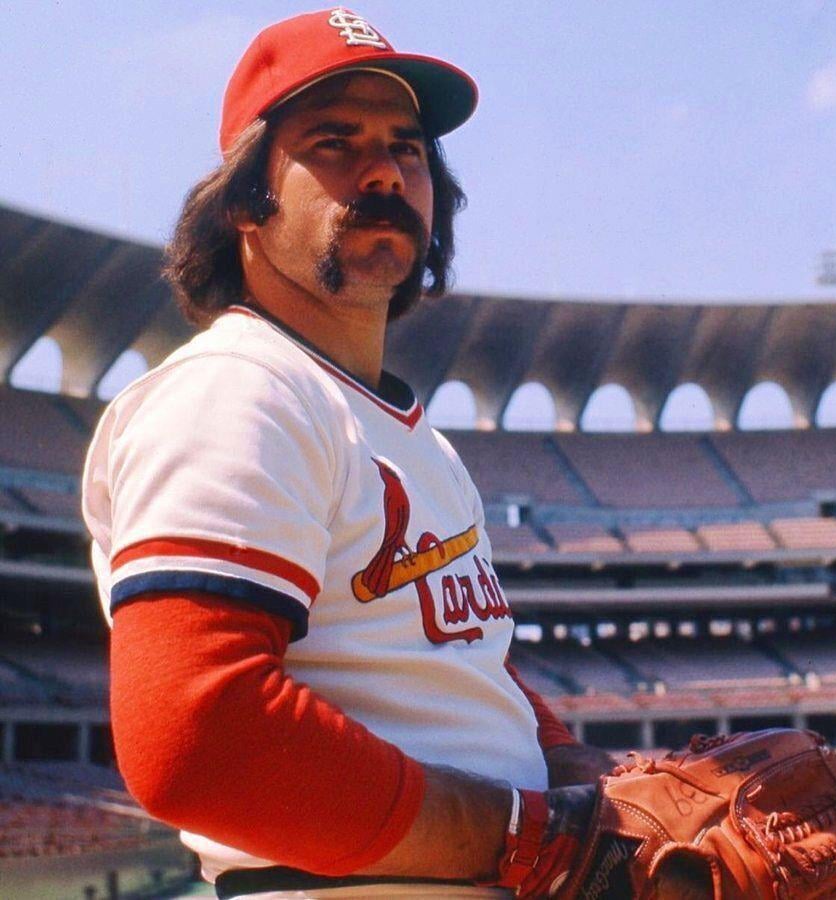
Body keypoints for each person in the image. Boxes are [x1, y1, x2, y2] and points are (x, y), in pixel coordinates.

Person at [82, 9, 615, 898]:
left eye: (408, 149)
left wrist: (591, 783)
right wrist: (539, 839)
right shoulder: (237, 390)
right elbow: (200, 739)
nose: (385, 171)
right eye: (335, 142)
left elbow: (469, 664)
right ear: (243, 201)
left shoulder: (415, 440)